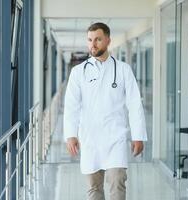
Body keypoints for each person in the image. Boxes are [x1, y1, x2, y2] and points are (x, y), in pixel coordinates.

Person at [63, 22, 147, 200]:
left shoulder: (124, 70)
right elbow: (71, 105)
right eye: (90, 40)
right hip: (89, 138)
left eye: (98, 39)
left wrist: (138, 135)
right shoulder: (78, 72)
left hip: (115, 136)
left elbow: (134, 104)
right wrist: (70, 134)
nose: (93, 44)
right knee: (94, 189)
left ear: (108, 40)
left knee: (117, 182)